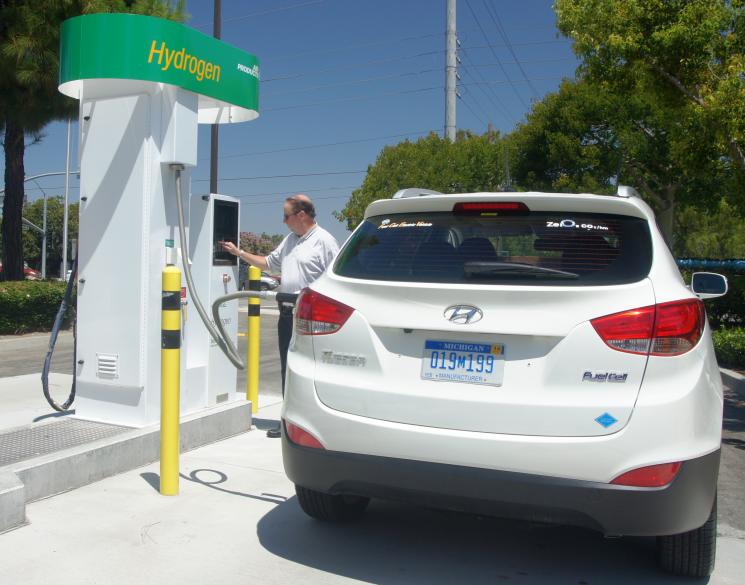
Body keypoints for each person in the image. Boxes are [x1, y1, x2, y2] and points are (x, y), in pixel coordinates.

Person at [221, 194, 339, 437]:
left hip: (311, 318)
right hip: (286, 315)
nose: (283, 221)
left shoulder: (325, 241)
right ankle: (287, 422)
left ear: (301, 215)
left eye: (286, 216)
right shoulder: (289, 241)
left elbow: (335, 280)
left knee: (312, 371)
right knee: (288, 369)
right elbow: (267, 263)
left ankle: (313, 425)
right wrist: (238, 252)